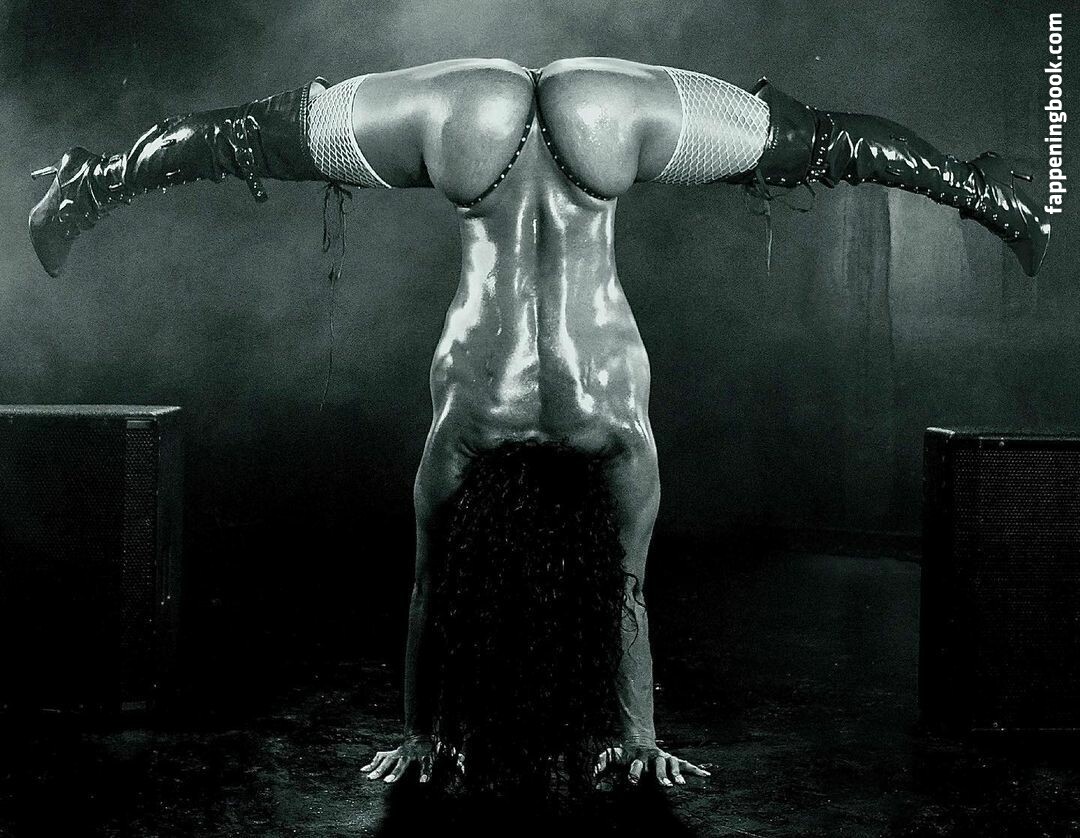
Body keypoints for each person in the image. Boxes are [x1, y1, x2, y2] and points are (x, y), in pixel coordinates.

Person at [29, 57, 1050, 792]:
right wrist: (448, 732)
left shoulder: (613, 437)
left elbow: (614, 594)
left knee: (802, 147)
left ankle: (988, 195)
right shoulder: (466, 435)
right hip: (470, 124)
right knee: (271, 140)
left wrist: (453, 736)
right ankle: (96, 181)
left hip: (601, 121)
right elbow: (449, 589)